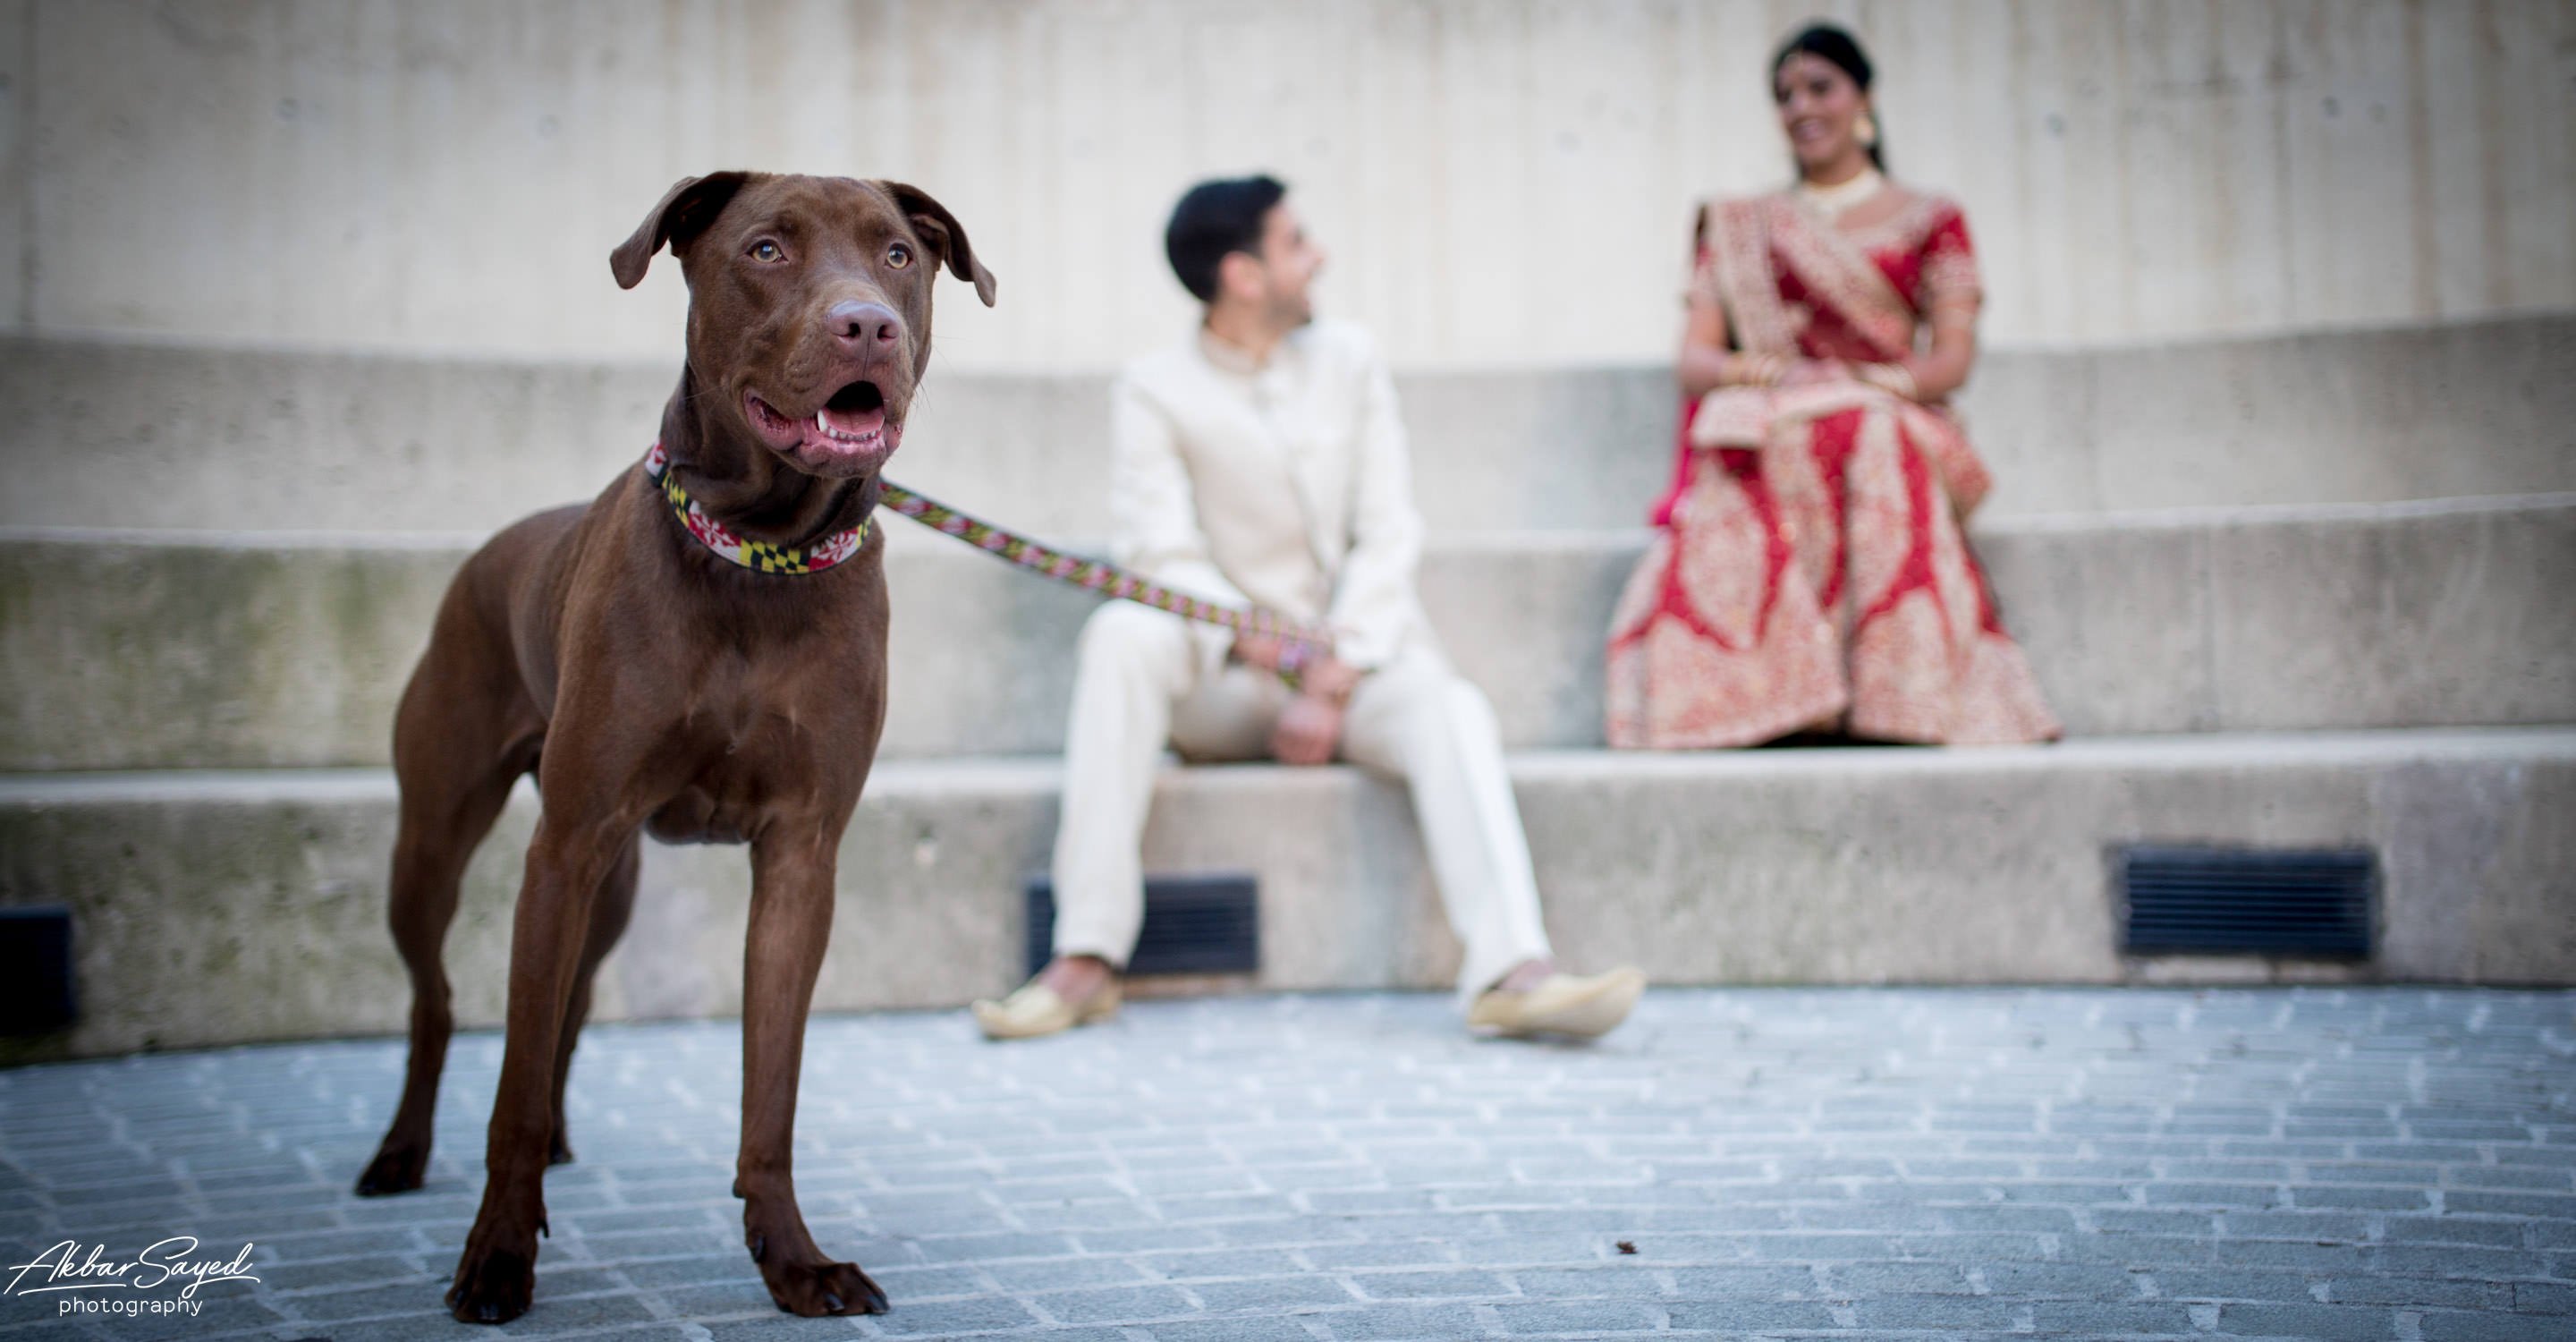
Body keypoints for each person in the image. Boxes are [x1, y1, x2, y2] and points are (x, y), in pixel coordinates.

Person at [973, 175, 1645, 1041]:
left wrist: (1333, 676)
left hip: (1356, 669)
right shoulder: (1155, 387)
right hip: (1225, 680)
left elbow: (1389, 531)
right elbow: (1159, 554)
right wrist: (1279, 656)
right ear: (1244, 275)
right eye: (1296, 241)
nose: (1317, 255)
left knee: (1453, 706)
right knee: (1121, 634)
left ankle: (1514, 970)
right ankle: (1085, 959)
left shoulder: (1351, 361)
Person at [1605, 23, 2060, 750]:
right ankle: (1771, 699)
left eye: (1820, 87)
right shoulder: (1739, 224)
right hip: (1778, 407)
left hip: (1889, 408)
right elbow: (1694, 361)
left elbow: (1951, 361)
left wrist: (1870, 384)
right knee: (1757, 433)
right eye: (1784, 95)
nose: (1800, 107)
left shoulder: (1930, 218)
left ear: (1863, 101)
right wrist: (1770, 375)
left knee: (1866, 430)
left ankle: (1894, 697)